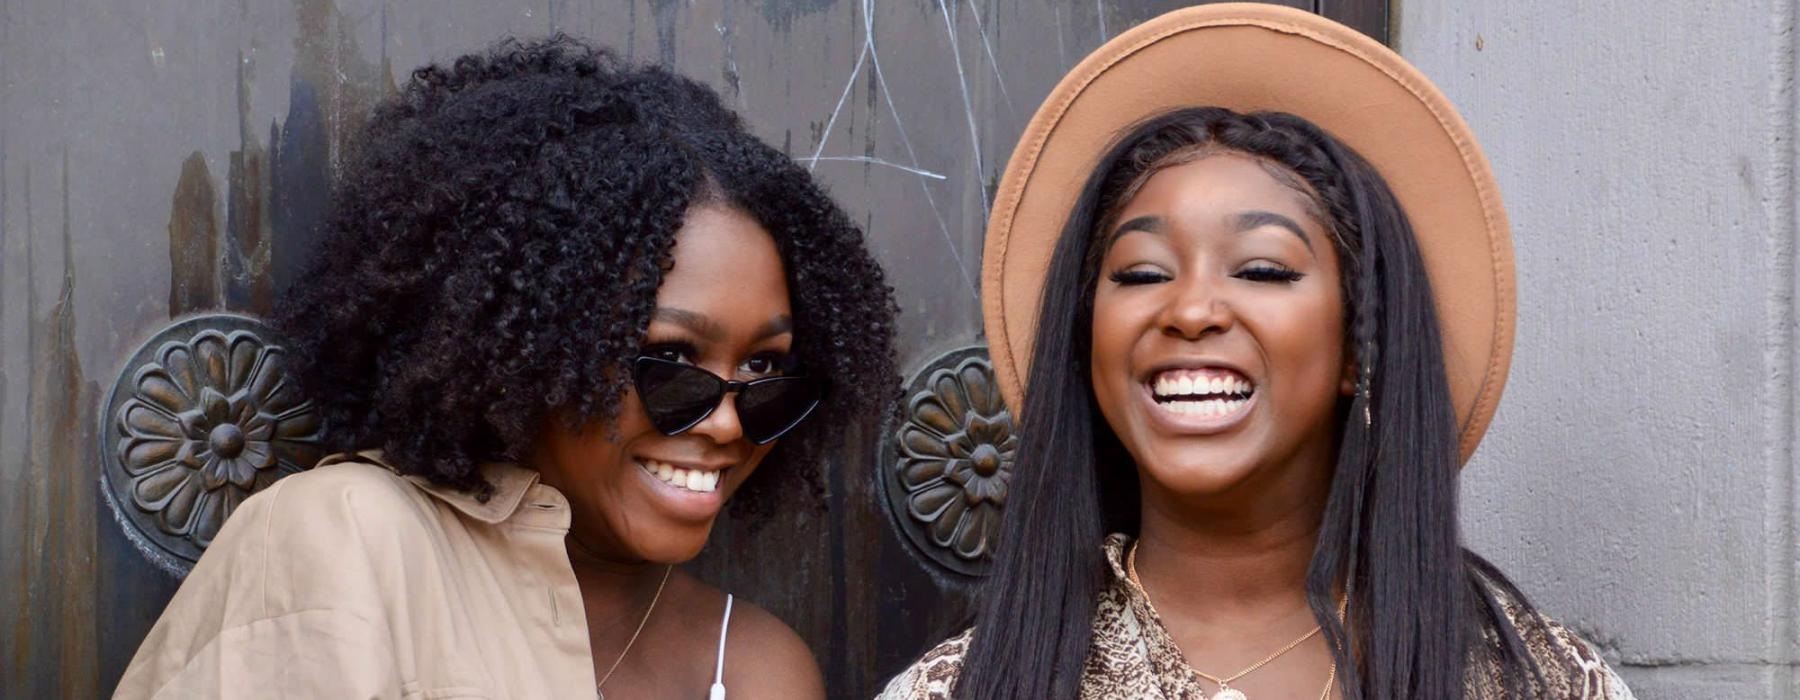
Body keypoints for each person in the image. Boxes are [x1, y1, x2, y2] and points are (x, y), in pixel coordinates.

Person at [881, 5, 1632, 699]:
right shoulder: (957, 689)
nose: (1191, 309)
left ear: (1357, 349)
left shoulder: (1538, 681)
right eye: (1142, 274)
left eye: (1263, 269)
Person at [115, 35, 896, 699]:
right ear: (532, 350)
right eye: (670, 360)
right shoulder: (347, 540)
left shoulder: (760, 668)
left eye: (764, 369)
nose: (727, 420)